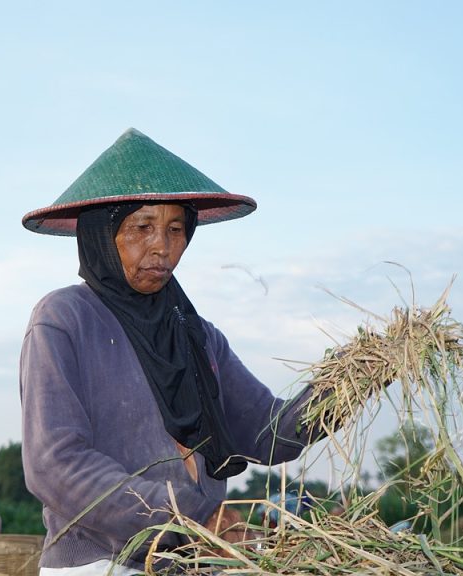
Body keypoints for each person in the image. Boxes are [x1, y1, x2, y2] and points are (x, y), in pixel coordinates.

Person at [20, 128, 323, 575]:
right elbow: (54, 463)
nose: (162, 246)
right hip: (102, 563)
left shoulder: (197, 335)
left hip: (192, 562)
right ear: (102, 236)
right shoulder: (65, 319)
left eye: (176, 229)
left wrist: (345, 387)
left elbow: (267, 432)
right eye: (142, 227)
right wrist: (188, 517)